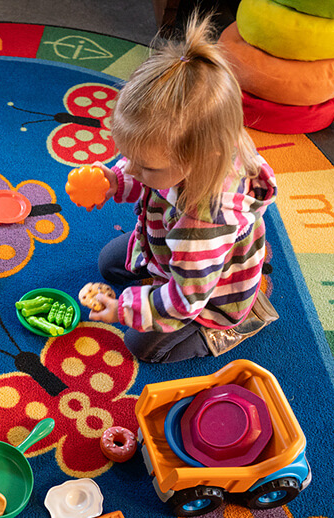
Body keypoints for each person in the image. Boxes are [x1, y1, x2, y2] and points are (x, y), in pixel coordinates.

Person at [87, 14, 278, 363]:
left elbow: (184, 301)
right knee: (108, 265)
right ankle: (159, 277)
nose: (129, 167)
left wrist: (123, 311)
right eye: (127, 156)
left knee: (141, 346)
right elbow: (150, 183)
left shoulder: (202, 229)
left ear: (200, 159)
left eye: (144, 166)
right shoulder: (191, 152)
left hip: (211, 297)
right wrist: (116, 182)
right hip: (167, 243)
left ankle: (234, 325)